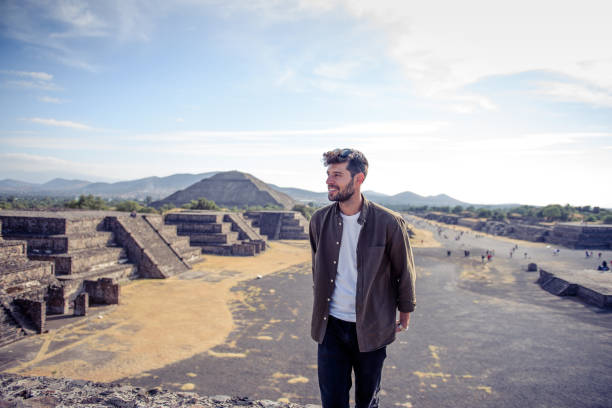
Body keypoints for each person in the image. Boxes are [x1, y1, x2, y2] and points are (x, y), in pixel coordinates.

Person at [309, 148, 416, 408]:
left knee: (367, 401)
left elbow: (404, 270)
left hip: (372, 326)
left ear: (359, 179)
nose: (329, 181)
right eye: (328, 174)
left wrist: (405, 309)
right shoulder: (318, 220)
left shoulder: (389, 222)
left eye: (338, 174)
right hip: (330, 326)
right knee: (332, 401)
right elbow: (317, 269)